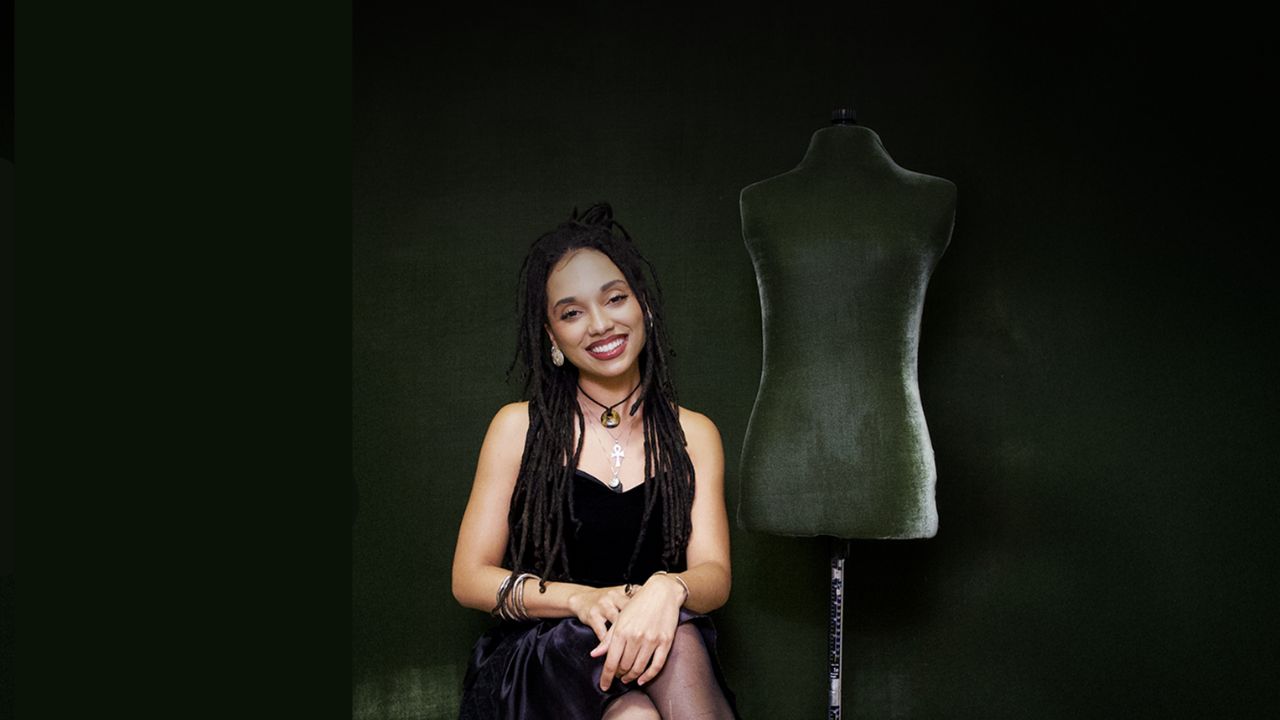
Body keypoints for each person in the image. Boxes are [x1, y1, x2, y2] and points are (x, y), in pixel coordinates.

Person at [452, 203, 739, 719]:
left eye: (615, 298)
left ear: (643, 304)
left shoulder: (694, 434)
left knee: (672, 644)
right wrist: (580, 600)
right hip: (542, 660)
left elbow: (714, 575)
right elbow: (469, 578)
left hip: (653, 641)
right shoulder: (517, 428)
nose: (601, 324)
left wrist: (665, 589)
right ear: (552, 336)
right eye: (572, 313)